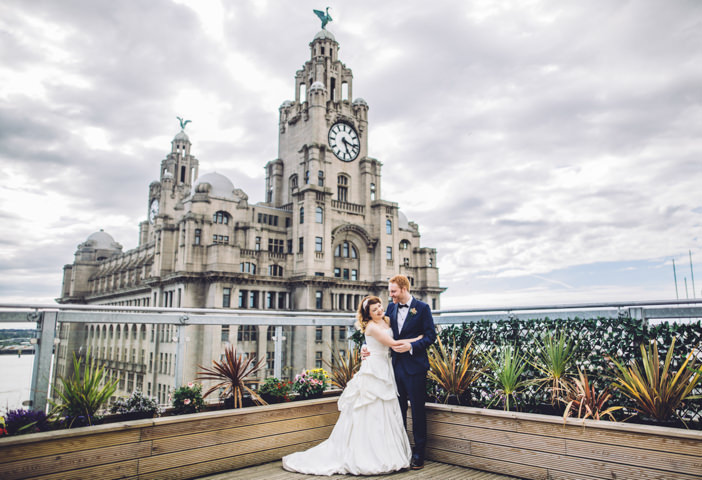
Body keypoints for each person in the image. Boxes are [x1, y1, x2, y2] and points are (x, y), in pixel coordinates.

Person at [282, 296, 423, 475]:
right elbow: (394, 344)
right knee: (371, 409)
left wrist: (365, 347)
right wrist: (418, 339)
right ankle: (368, 454)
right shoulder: (372, 326)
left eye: (380, 306)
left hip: (386, 368)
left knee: (385, 410)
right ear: (368, 315)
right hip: (375, 369)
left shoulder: (386, 320)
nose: (379, 310)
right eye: (374, 310)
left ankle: (386, 451)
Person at [363, 274, 436, 470]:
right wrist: (364, 347)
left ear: (404, 289)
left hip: (415, 368)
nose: (391, 295)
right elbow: (377, 328)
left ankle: (419, 453)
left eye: (393, 291)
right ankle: (401, 450)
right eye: (390, 292)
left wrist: (412, 347)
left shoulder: (422, 308)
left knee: (418, 411)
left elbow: (430, 336)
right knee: (398, 411)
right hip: (393, 368)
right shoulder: (391, 308)